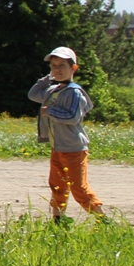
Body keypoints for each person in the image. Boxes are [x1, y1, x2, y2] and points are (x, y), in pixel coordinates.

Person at [28, 47, 106, 222]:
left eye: (62, 65)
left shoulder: (75, 92)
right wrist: (48, 78)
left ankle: (103, 220)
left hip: (73, 148)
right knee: (57, 185)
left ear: (73, 68)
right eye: (53, 66)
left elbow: (73, 117)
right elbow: (33, 94)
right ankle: (58, 219)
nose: (57, 69)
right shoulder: (53, 90)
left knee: (79, 187)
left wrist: (51, 111)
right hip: (58, 147)